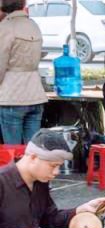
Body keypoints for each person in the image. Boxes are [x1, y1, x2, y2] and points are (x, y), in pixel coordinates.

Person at [0, 0, 48, 145]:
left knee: (13, 151)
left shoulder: (5, 27)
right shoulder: (34, 25)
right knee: (33, 151)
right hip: (35, 94)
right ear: (23, 4)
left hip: (12, 95)